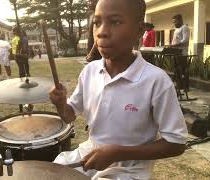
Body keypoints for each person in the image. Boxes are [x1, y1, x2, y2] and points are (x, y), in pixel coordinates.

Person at [49, 0, 188, 179]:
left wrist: (118, 153)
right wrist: (61, 105)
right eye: (97, 23)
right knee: (49, 173)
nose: (102, 32)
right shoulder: (90, 71)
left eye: (115, 22)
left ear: (139, 31)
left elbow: (176, 144)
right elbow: (69, 115)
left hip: (129, 169)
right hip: (91, 154)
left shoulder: (156, 81)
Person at [171, 14, 190, 92]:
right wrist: (171, 46)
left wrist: (175, 45)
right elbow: (174, 41)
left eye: (175, 22)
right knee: (177, 71)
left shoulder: (185, 28)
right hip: (175, 53)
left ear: (180, 20)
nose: (174, 23)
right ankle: (179, 86)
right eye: (173, 22)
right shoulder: (176, 29)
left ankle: (186, 87)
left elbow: (185, 40)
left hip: (182, 53)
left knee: (183, 71)